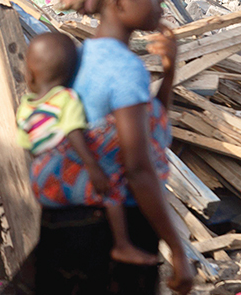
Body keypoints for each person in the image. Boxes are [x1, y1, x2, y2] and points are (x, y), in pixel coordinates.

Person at [0, 0, 193, 295]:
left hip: (66, 230)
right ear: (119, 2)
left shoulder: (81, 60)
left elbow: (149, 127)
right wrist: (177, 249)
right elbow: (139, 167)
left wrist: (169, 68)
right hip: (109, 234)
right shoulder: (123, 69)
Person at [18, 32, 158, 266]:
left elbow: (27, 144)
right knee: (110, 193)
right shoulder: (66, 98)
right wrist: (93, 167)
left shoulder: (25, 107)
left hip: (40, 178)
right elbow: (74, 133)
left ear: (30, 73)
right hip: (67, 168)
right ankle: (123, 245)